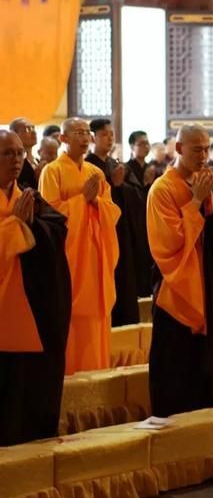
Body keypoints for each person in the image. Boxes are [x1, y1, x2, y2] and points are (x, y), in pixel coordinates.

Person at [147, 124, 213, 417]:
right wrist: (197, 202)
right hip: (178, 298)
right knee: (179, 378)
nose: (203, 155)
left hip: (211, 290)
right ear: (178, 149)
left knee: (210, 379)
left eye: (206, 148)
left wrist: (210, 201)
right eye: (196, 149)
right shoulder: (162, 190)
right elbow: (168, 243)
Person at [0, 130, 71, 444]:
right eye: (6, 154)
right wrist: (14, 225)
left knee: (31, 383)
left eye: (19, 154)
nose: (16, 161)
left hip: (33, 309)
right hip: (5, 311)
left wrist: (28, 224)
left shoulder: (29, 198)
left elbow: (58, 230)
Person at [39, 118, 120, 375]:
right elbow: (49, 219)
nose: (85, 137)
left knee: (97, 320)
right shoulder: (52, 171)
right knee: (71, 319)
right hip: (70, 259)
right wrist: (81, 201)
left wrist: (95, 202)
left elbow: (112, 212)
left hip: (95, 256)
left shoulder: (95, 173)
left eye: (87, 133)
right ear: (63, 139)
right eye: (77, 133)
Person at [86, 118, 139, 325]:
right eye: (104, 134)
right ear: (94, 138)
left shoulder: (116, 164)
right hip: (100, 236)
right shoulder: (89, 166)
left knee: (124, 283)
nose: (109, 138)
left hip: (122, 234)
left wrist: (120, 187)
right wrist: (114, 186)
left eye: (112, 134)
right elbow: (91, 201)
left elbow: (137, 197)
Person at [124, 130, 155, 297]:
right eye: (141, 144)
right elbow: (130, 201)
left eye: (147, 143)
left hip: (149, 223)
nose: (146, 147)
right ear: (132, 147)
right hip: (134, 226)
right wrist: (144, 184)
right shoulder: (126, 169)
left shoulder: (152, 168)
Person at [9, 118, 40, 189]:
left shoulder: (38, 161)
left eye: (33, 128)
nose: (34, 132)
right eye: (28, 129)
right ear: (15, 134)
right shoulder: (12, 163)